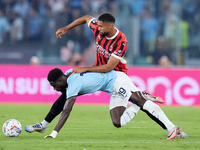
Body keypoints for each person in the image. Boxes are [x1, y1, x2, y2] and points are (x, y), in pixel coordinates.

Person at [24, 13, 168, 136]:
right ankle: (43, 124)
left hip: (115, 75)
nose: (97, 28)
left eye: (100, 26)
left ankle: (168, 125)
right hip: (99, 73)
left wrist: (85, 68)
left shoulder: (121, 41)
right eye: (97, 26)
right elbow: (86, 18)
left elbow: (109, 67)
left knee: (140, 102)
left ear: (109, 26)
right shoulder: (98, 29)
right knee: (67, 95)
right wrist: (67, 28)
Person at [24, 68, 188, 139]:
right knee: (118, 122)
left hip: (117, 80)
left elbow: (66, 111)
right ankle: (141, 98)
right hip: (111, 89)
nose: (54, 89)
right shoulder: (68, 75)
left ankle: (172, 128)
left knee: (144, 104)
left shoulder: (73, 84)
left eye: (55, 85)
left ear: (60, 80)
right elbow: (61, 102)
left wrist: (54, 133)